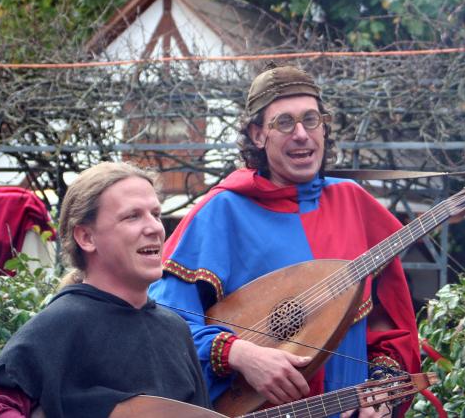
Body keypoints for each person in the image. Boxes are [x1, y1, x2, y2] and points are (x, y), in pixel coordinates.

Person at [149, 65, 421, 417]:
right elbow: (163, 322)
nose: (301, 134)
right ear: (257, 135)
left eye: (311, 120)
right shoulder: (221, 211)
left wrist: (381, 392)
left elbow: (389, 324)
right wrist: (238, 353)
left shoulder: (355, 202)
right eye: (284, 123)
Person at [0, 162, 210, 418]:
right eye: (132, 216)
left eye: (156, 214)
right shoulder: (61, 322)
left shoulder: (175, 329)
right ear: (86, 237)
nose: (155, 228)